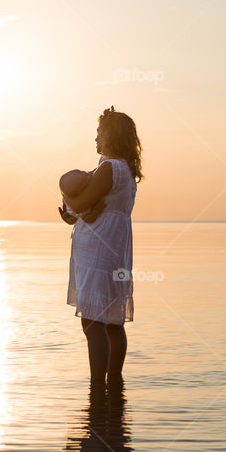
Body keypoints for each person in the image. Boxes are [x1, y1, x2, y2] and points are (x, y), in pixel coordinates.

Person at [59, 106, 142, 383]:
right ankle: (114, 382)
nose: (96, 138)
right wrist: (77, 213)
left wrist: (64, 188)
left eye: (99, 132)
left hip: (99, 249)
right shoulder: (124, 170)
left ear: (111, 136)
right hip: (115, 246)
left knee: (93, 322)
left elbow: (80, 203)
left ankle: (97, 385)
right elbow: (84, 209)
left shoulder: (110, 168)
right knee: (111, 322)